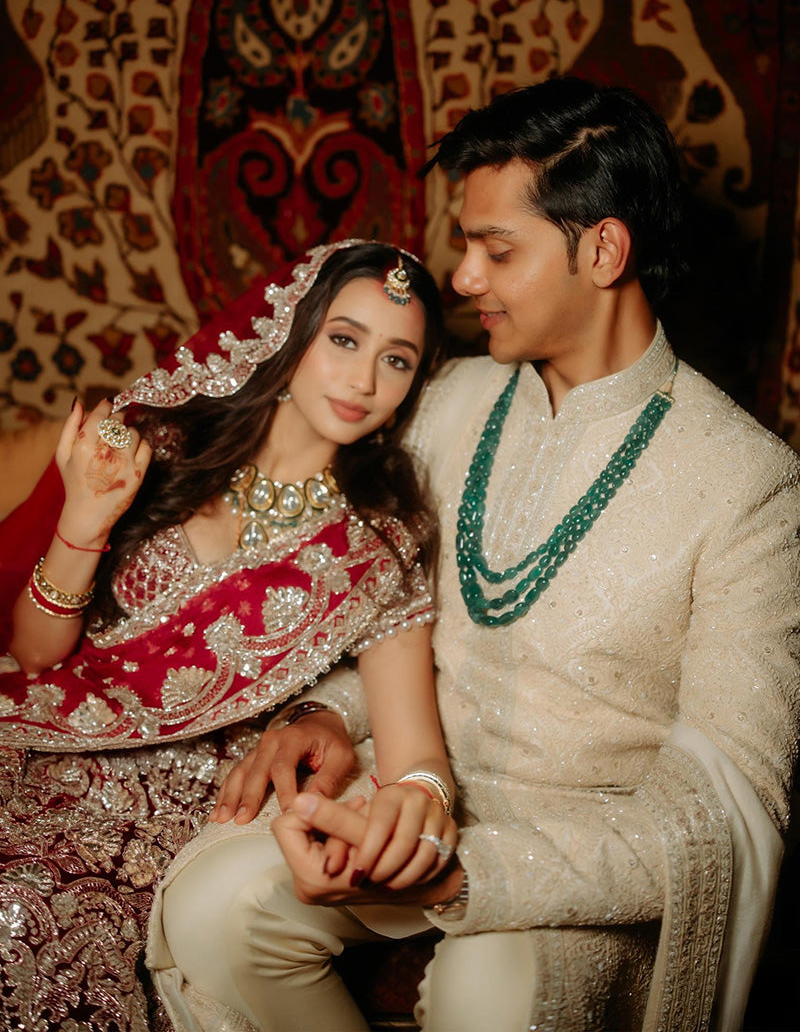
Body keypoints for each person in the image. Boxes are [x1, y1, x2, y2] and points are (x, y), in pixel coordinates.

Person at [151, 77, 800, 1032]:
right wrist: (327, 718)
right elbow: (389, 614)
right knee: (214, 908)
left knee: (482, 995)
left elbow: (722, 808)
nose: (461, 279)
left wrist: (474, 872)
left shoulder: (750, 484)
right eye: (467, 243)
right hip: (409, 791)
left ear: (605, 250)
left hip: (574, 860)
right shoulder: (449, 400)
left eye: (499, 249)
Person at [0, 240, 456, 1032]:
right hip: (28, 751)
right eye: (343, 339)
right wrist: (85, 518)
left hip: (158, 813)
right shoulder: (161, 446)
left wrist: (422, 806)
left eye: (397, 359)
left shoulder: (376, 546)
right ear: (293, 330)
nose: (361, 379)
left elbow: (417, 753)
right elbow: (38, 653)